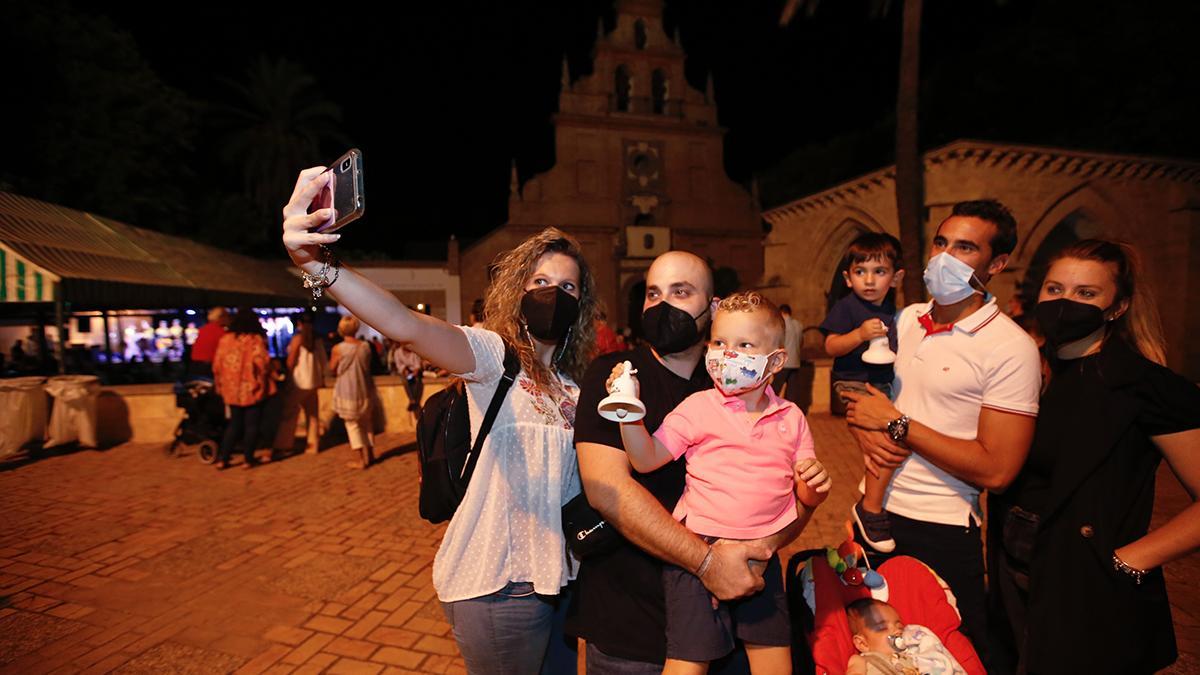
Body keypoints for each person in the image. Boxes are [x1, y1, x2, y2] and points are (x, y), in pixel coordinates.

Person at [283, 166, 598, 675]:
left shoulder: (573, 386)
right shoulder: (493, 356)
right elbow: (405, 324)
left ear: (580, 303)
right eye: (540, 281)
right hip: (496, 585)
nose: (553, 293)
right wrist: (317, 263)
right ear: (518, 291)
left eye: (567, 285)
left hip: (559, 583)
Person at [567, 250, 811, 673]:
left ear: (712, 307)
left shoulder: (738, 384)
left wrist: (766, 542)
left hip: (742, 609)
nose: (663, 305)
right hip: (630, 627)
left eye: (681, 292)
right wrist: (708, 563)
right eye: (653, 293)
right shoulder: (616, 375)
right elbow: (609, 491)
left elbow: (780, 495)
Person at [843, 200, 1042, 665]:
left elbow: (997, 469)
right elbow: (868, 400)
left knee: (949, 656)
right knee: (872, 653)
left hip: (941, 527)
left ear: (996, 264)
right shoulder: (907, 318)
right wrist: (862, 429)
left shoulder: (1010, 348)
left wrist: (896, 426)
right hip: (872, 512)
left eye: (965, 247)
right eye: (941, 242)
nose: (945, 257)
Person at [990, 240, 1200, 674]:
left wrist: (1131, 559)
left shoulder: (1144, 386)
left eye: (1087, 293)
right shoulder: (1024, 371)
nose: (1066, 303)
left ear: (1118, 307)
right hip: (1016, 570)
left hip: (1086, 581)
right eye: (1055, 289)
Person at [615, 291, 832, 673]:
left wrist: (815, 484)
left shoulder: (793, 417)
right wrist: (629, 415)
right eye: (718, 342)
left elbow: (805, 492)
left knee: (775, 663)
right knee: (688, 663)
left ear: (776, 360)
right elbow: (645, 459)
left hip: (763, 555)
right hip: (698, 554)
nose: (726, 355)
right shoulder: (698, 408)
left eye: (744, 344)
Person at [819, 233, 905, 553]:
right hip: (854, 383)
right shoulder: (847, 307)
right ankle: (870, 510)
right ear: (848, 277)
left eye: (879, 272)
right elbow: (830, 345)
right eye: (860, 272)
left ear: (895, 278)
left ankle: (872, 489)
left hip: (884, 386)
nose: (869, 280)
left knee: (886, 444)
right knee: (884, 443)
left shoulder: (895, 312)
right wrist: (858, 334)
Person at [212, 307, 276, 469]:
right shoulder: (255, 341)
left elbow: (217, 364)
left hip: (231, 389)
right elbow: (263, 363)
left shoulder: (225, 340)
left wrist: (220, 383)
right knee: (252, 424)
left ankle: (223, 458)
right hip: (252, 388)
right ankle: (248, 459)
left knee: (234, 424)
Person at [845, 599, 965, 675]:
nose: (896, 631)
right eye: (882, 628)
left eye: (900, 627)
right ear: (863, 644)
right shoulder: (860, 660)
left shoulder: (912, 657)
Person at [272, 312, 326, 457]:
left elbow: (291, 360)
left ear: (299, 324)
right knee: (312, 414)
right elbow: (323, 361)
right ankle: (313, 445)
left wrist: (288, 376)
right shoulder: (318, 340)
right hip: (314, 381)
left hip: (299, 381)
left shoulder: (298, 339)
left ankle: (284, 444)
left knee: (289, 413)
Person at [329, 314, 377, 470]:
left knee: (352, 424)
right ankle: (370, 453)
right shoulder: (365, 346)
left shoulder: (338, 349)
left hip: (347, 389)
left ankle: (361, 459)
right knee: (366, 422)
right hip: (364, 387)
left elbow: (332, 368)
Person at [771, 304, 804, 408]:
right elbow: (801, 342)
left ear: (781, 312)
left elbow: (776, 343)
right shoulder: (799, 325)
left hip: (783, 363)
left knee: (774, 390)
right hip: (796, 363)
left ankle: (770, 408)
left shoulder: (781, 325)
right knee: (792, 391)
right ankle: (790, 411)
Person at [190, 307, 229, 377]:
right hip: (209, 365)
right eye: (226, 316)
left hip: (196, 364)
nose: (228, 319)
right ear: (221, 317)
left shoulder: (203, 329)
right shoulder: (220, 332)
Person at [391, 341, 425, 423]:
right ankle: (413, 400)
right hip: (405, 372)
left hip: (414, 372)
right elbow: (399, 366)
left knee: (417, 380)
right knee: (405, 381)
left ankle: (413, 401)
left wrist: (415, 372)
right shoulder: (397, 353)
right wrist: (404, 370)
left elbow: (417, 366)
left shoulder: (414, 352)